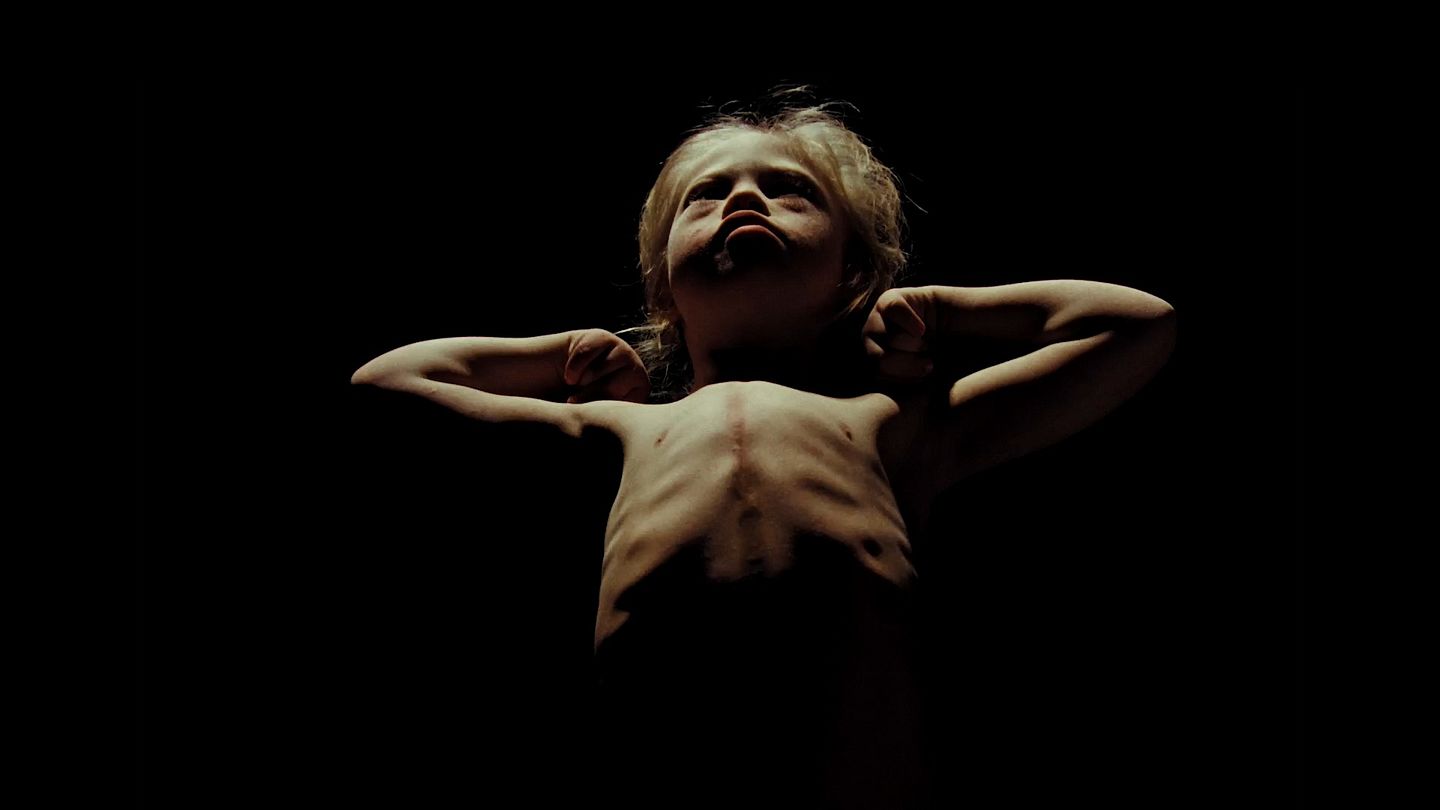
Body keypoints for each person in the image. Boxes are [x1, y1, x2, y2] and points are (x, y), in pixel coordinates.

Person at [351, 90, 1177, 809]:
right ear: (663, 287)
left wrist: (943, 307)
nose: (744, 198)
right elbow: (387, 384)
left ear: (853, 270)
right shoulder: (621, 430)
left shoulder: (891, 423)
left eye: (789, 190)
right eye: (707, 195)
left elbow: (1135, 324)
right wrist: (558, 352)